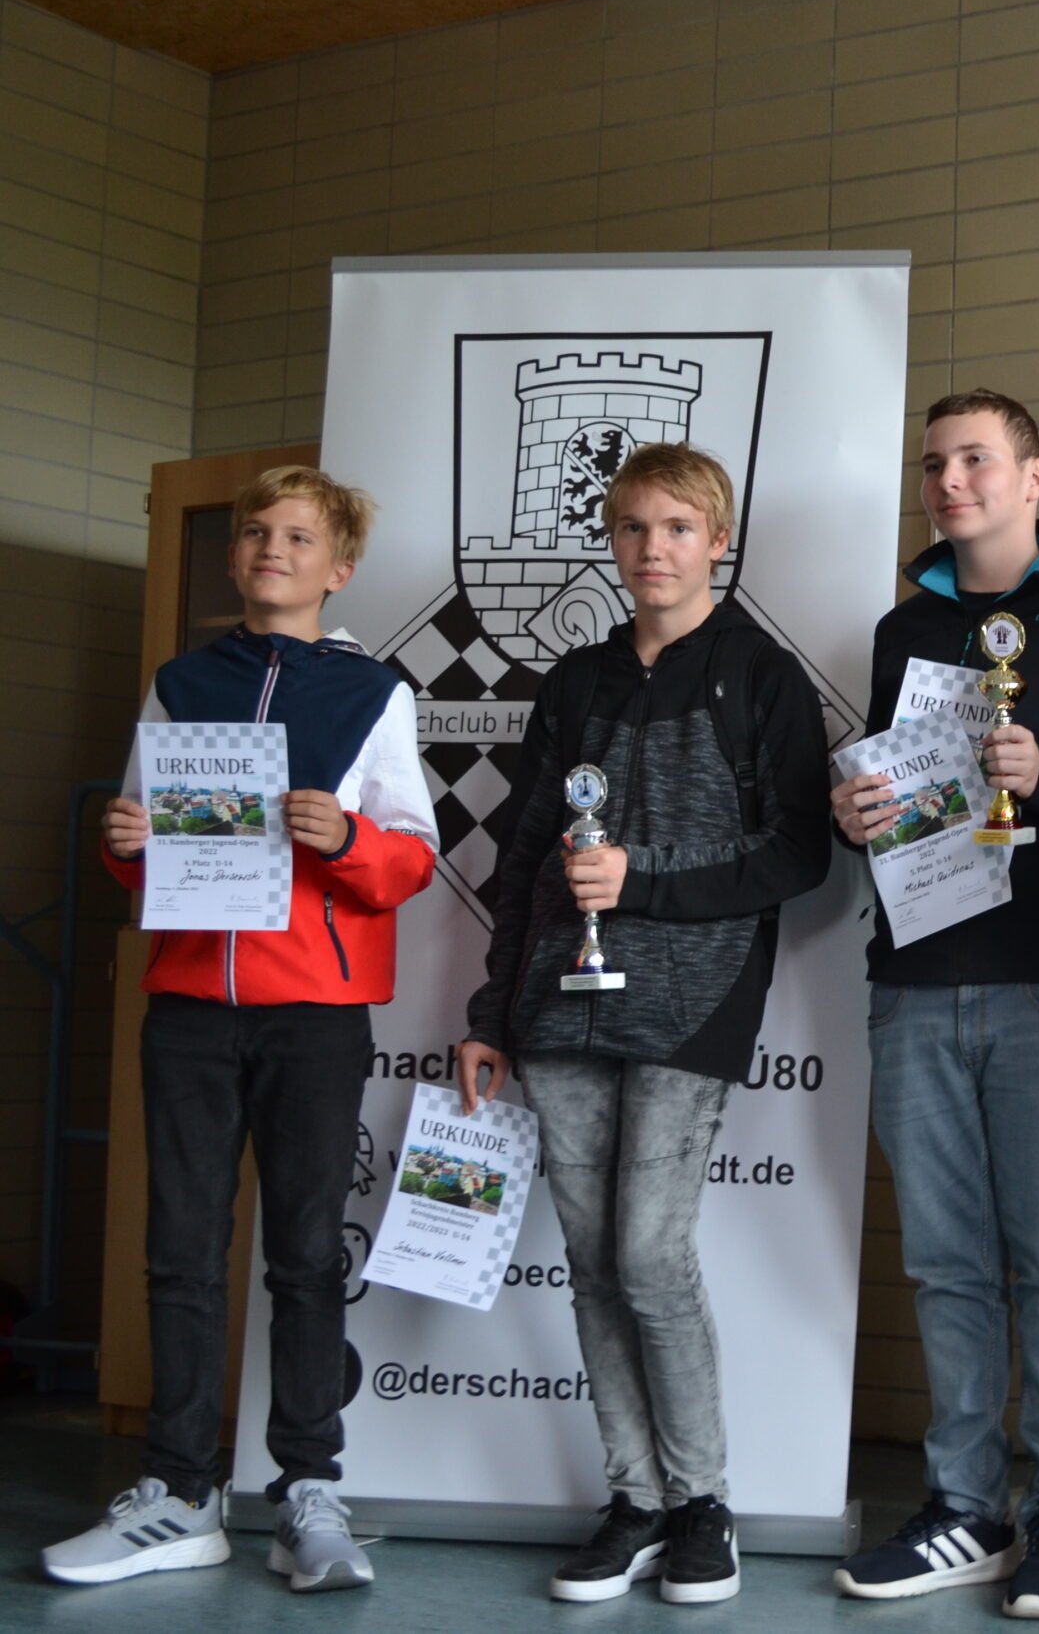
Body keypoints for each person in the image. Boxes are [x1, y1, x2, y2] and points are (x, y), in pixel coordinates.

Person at [46, 467, 438, 1593]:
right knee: (180, 1251)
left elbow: (412, 857)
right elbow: (143, 848)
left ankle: (307, 1490)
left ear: (339, 567)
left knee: (306, 1256)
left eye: (300, 537)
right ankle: (180, 1493)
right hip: (187, 1008)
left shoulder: (375, 693)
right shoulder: (181, 683)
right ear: (232, 559)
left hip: (315, 1012)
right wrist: (123, 843)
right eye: (257, 532)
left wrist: (348, 838)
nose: (273, 548)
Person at [455, 441, 831, 1606]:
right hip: (556, 1005)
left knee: (648, 1257)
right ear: (611, 542)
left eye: (676, 527)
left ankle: (704, 1503)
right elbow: (524, 854)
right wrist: (490, 1009)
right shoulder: (575, 681)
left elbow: (800, 854)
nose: (652, 548)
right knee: (589, 1265)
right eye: (631, 527)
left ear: (718, 540)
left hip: (692, 1004)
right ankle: (637, 1501)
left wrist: (644, 878)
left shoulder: (762, 676)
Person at [831, 389, 1039, 1617]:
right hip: (916, 975)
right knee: (945, 1264)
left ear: (1033, 477)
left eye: (975, 459)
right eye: (934, 464)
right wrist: (854, 811)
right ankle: (965, 1505)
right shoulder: (903, 629)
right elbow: (897, 784)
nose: (950, 481)